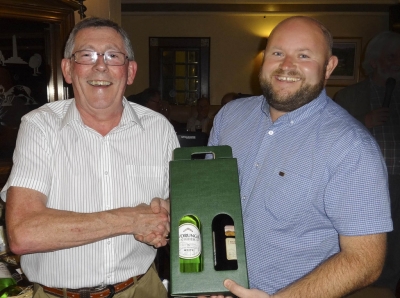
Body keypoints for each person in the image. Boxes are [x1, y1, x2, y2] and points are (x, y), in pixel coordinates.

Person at [202, 16, 392, 298]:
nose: (286, 66)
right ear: (264, 58)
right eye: (277, 53)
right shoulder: (230, 116)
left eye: (304, 55)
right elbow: (209, 198)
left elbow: (365, 261)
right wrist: (206, 275)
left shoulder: (352, 148)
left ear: (329, 67)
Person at [1, 17, 179, 298]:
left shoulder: (159, 129)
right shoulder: (39, 126)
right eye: (86, 55)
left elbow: (184, 205)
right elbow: (23, 234)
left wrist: (166, 211)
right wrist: (131, 220)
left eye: (112, 55)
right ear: (68, 69)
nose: (100, 66)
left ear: (130, 71)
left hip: (142, 289)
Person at [334, 31, 400, 294]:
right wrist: (365, 121)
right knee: (366, 235)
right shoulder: (349, 97)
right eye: (391, 56)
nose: (397, 61)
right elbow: (334, 136)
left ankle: (390, 283)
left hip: (399, 178)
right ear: (373, 61)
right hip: (366, 179)